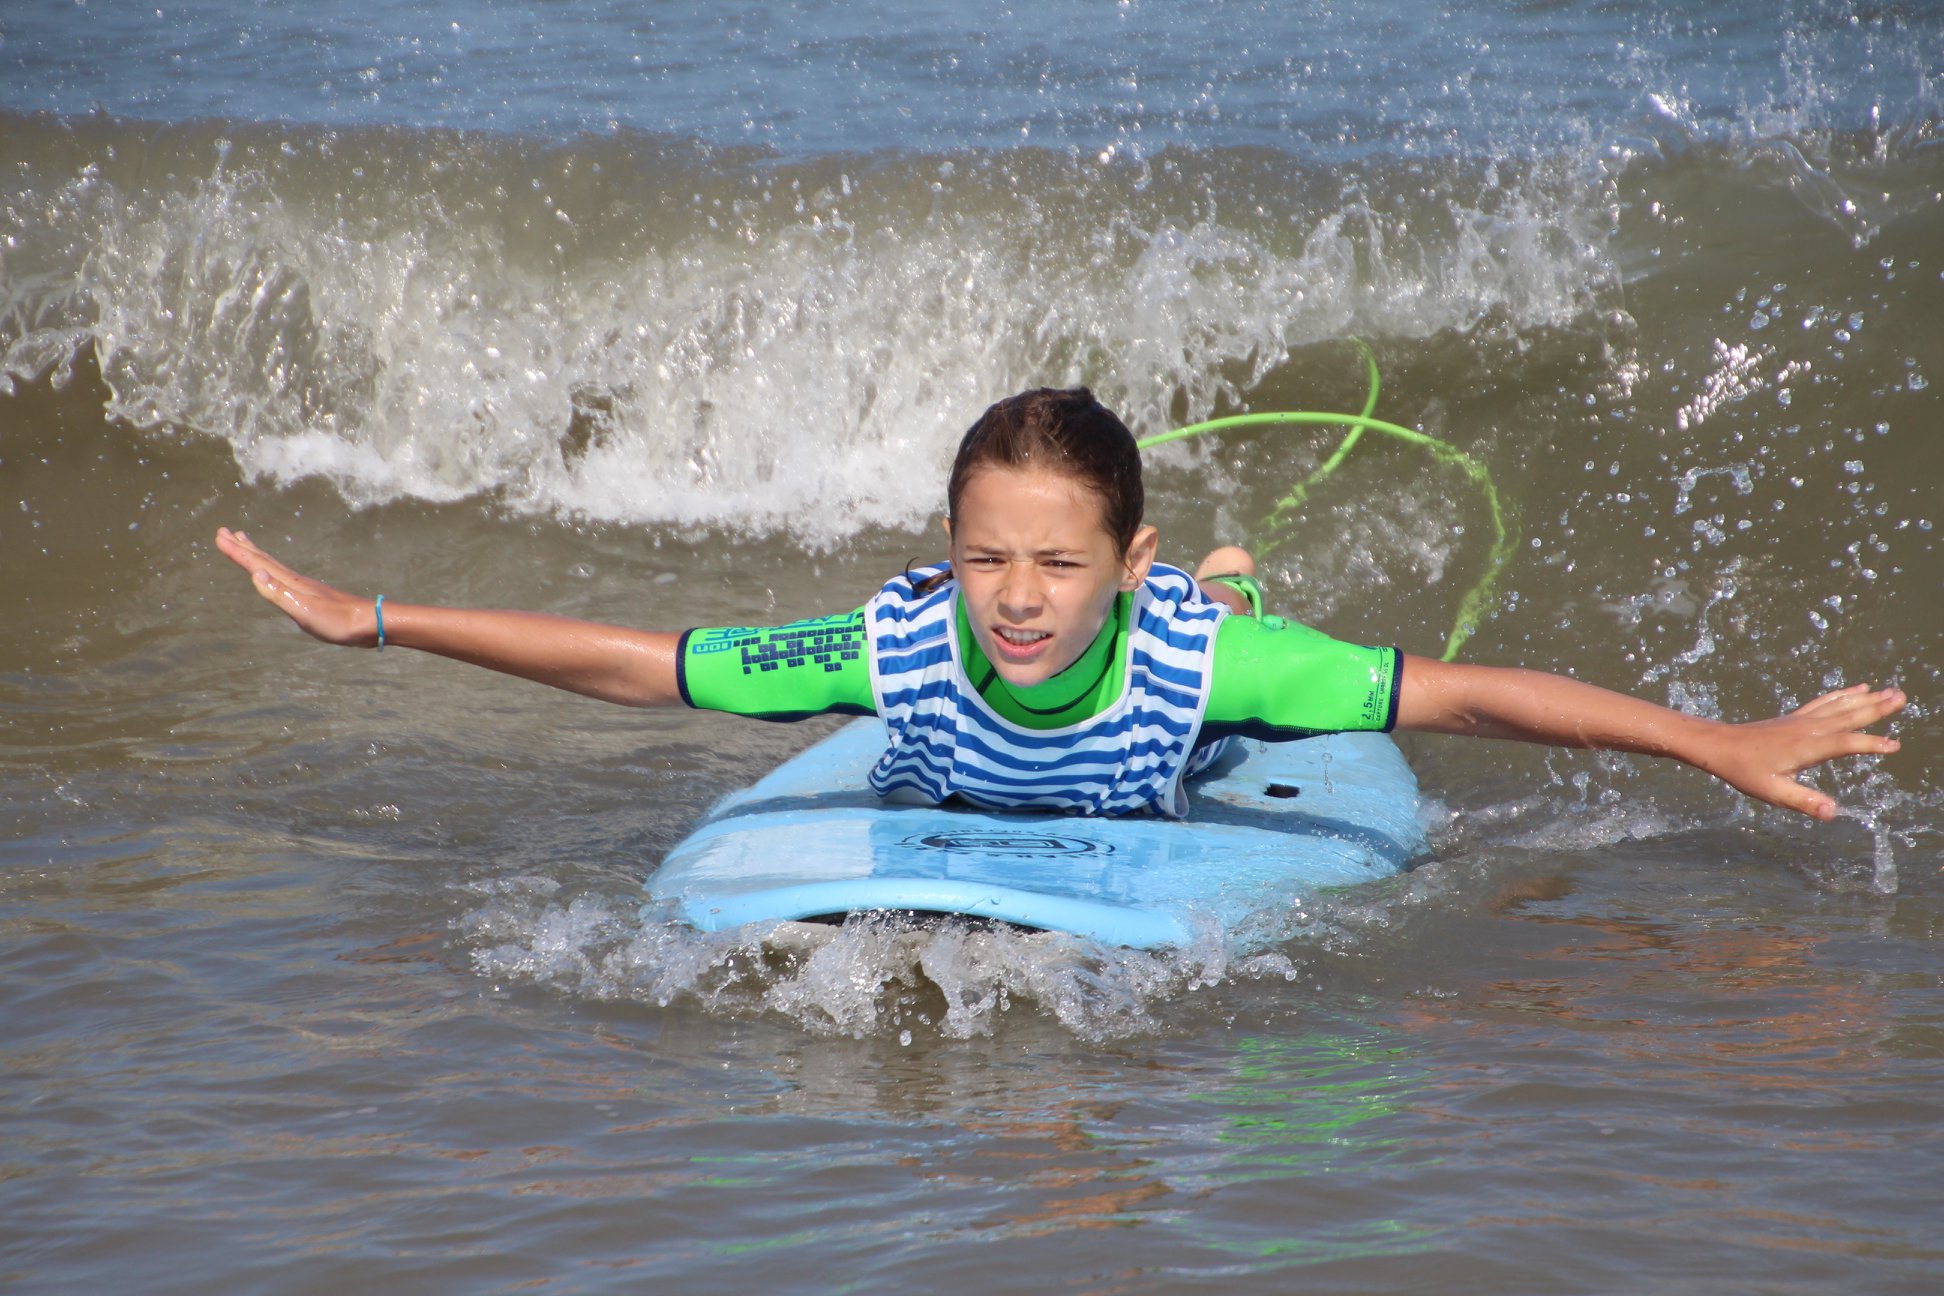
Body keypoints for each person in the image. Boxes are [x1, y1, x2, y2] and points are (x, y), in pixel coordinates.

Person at [216, 387, 1905, 821]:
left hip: (1193, 694)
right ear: (945, 547)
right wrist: (376, 620)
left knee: (1258, 646)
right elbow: (648, 666)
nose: (1014, 601)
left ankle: (1233, 554)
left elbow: (1472, 696)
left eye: (1058, 561)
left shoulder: (1204, 662)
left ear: (1123, 563)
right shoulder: (901, 640)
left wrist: (1724, 738)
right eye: (986, 554)